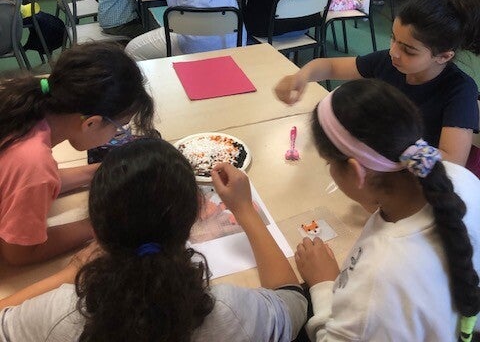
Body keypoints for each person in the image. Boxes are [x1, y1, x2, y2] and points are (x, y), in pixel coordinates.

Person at [0, 139, 307, 341]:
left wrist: (68, 275)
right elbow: (293, 303)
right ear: (192, 219)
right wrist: (245, 211)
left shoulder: (59, 315)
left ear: (98, 229)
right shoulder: (229, 312)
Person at [294, 79, 480, 342]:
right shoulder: (459, 177)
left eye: (329, 164)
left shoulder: (379, 278)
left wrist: (323, 286)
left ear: (357, 172)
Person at [275, 0, 480, 166]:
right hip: (378, 165)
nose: (394, 52)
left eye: (408, 50)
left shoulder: (460, 90)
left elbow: (453, 161)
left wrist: (394, 145)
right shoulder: (389, 63)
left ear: (443, 56)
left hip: (413, 182)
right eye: (393, 38)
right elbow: (331, 66)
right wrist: (303, 76)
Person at [0, 42, 155, 266]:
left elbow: (26, 184)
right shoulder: (33, 162)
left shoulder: (24, 109)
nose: (118, 134)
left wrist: (99, 172)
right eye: (120, 127)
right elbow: (19, 253)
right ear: (91, 123)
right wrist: (102, 223)